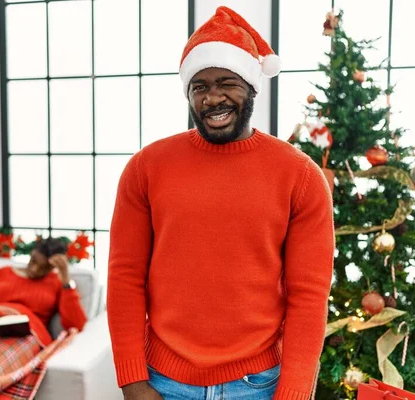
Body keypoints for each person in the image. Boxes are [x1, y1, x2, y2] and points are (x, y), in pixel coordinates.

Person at [107, 6, 335, 400]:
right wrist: (132, 382)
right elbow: (125, 277)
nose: (213, 98)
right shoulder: (145, 168)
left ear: (250, 87)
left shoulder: (300, 176)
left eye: (227, 82)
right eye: (200, 87)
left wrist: (295, 391)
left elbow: (309, 296)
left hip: (260, 385)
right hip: (163, 381)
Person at [0, 237, 87, 346]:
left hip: (26, 340)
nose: (34, 269)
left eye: (43, 268)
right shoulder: (2, 273)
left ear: (52, 267)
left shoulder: (56, 282)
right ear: (31, 254)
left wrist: (66, 279)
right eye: (33, 261)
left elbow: (76, 325)